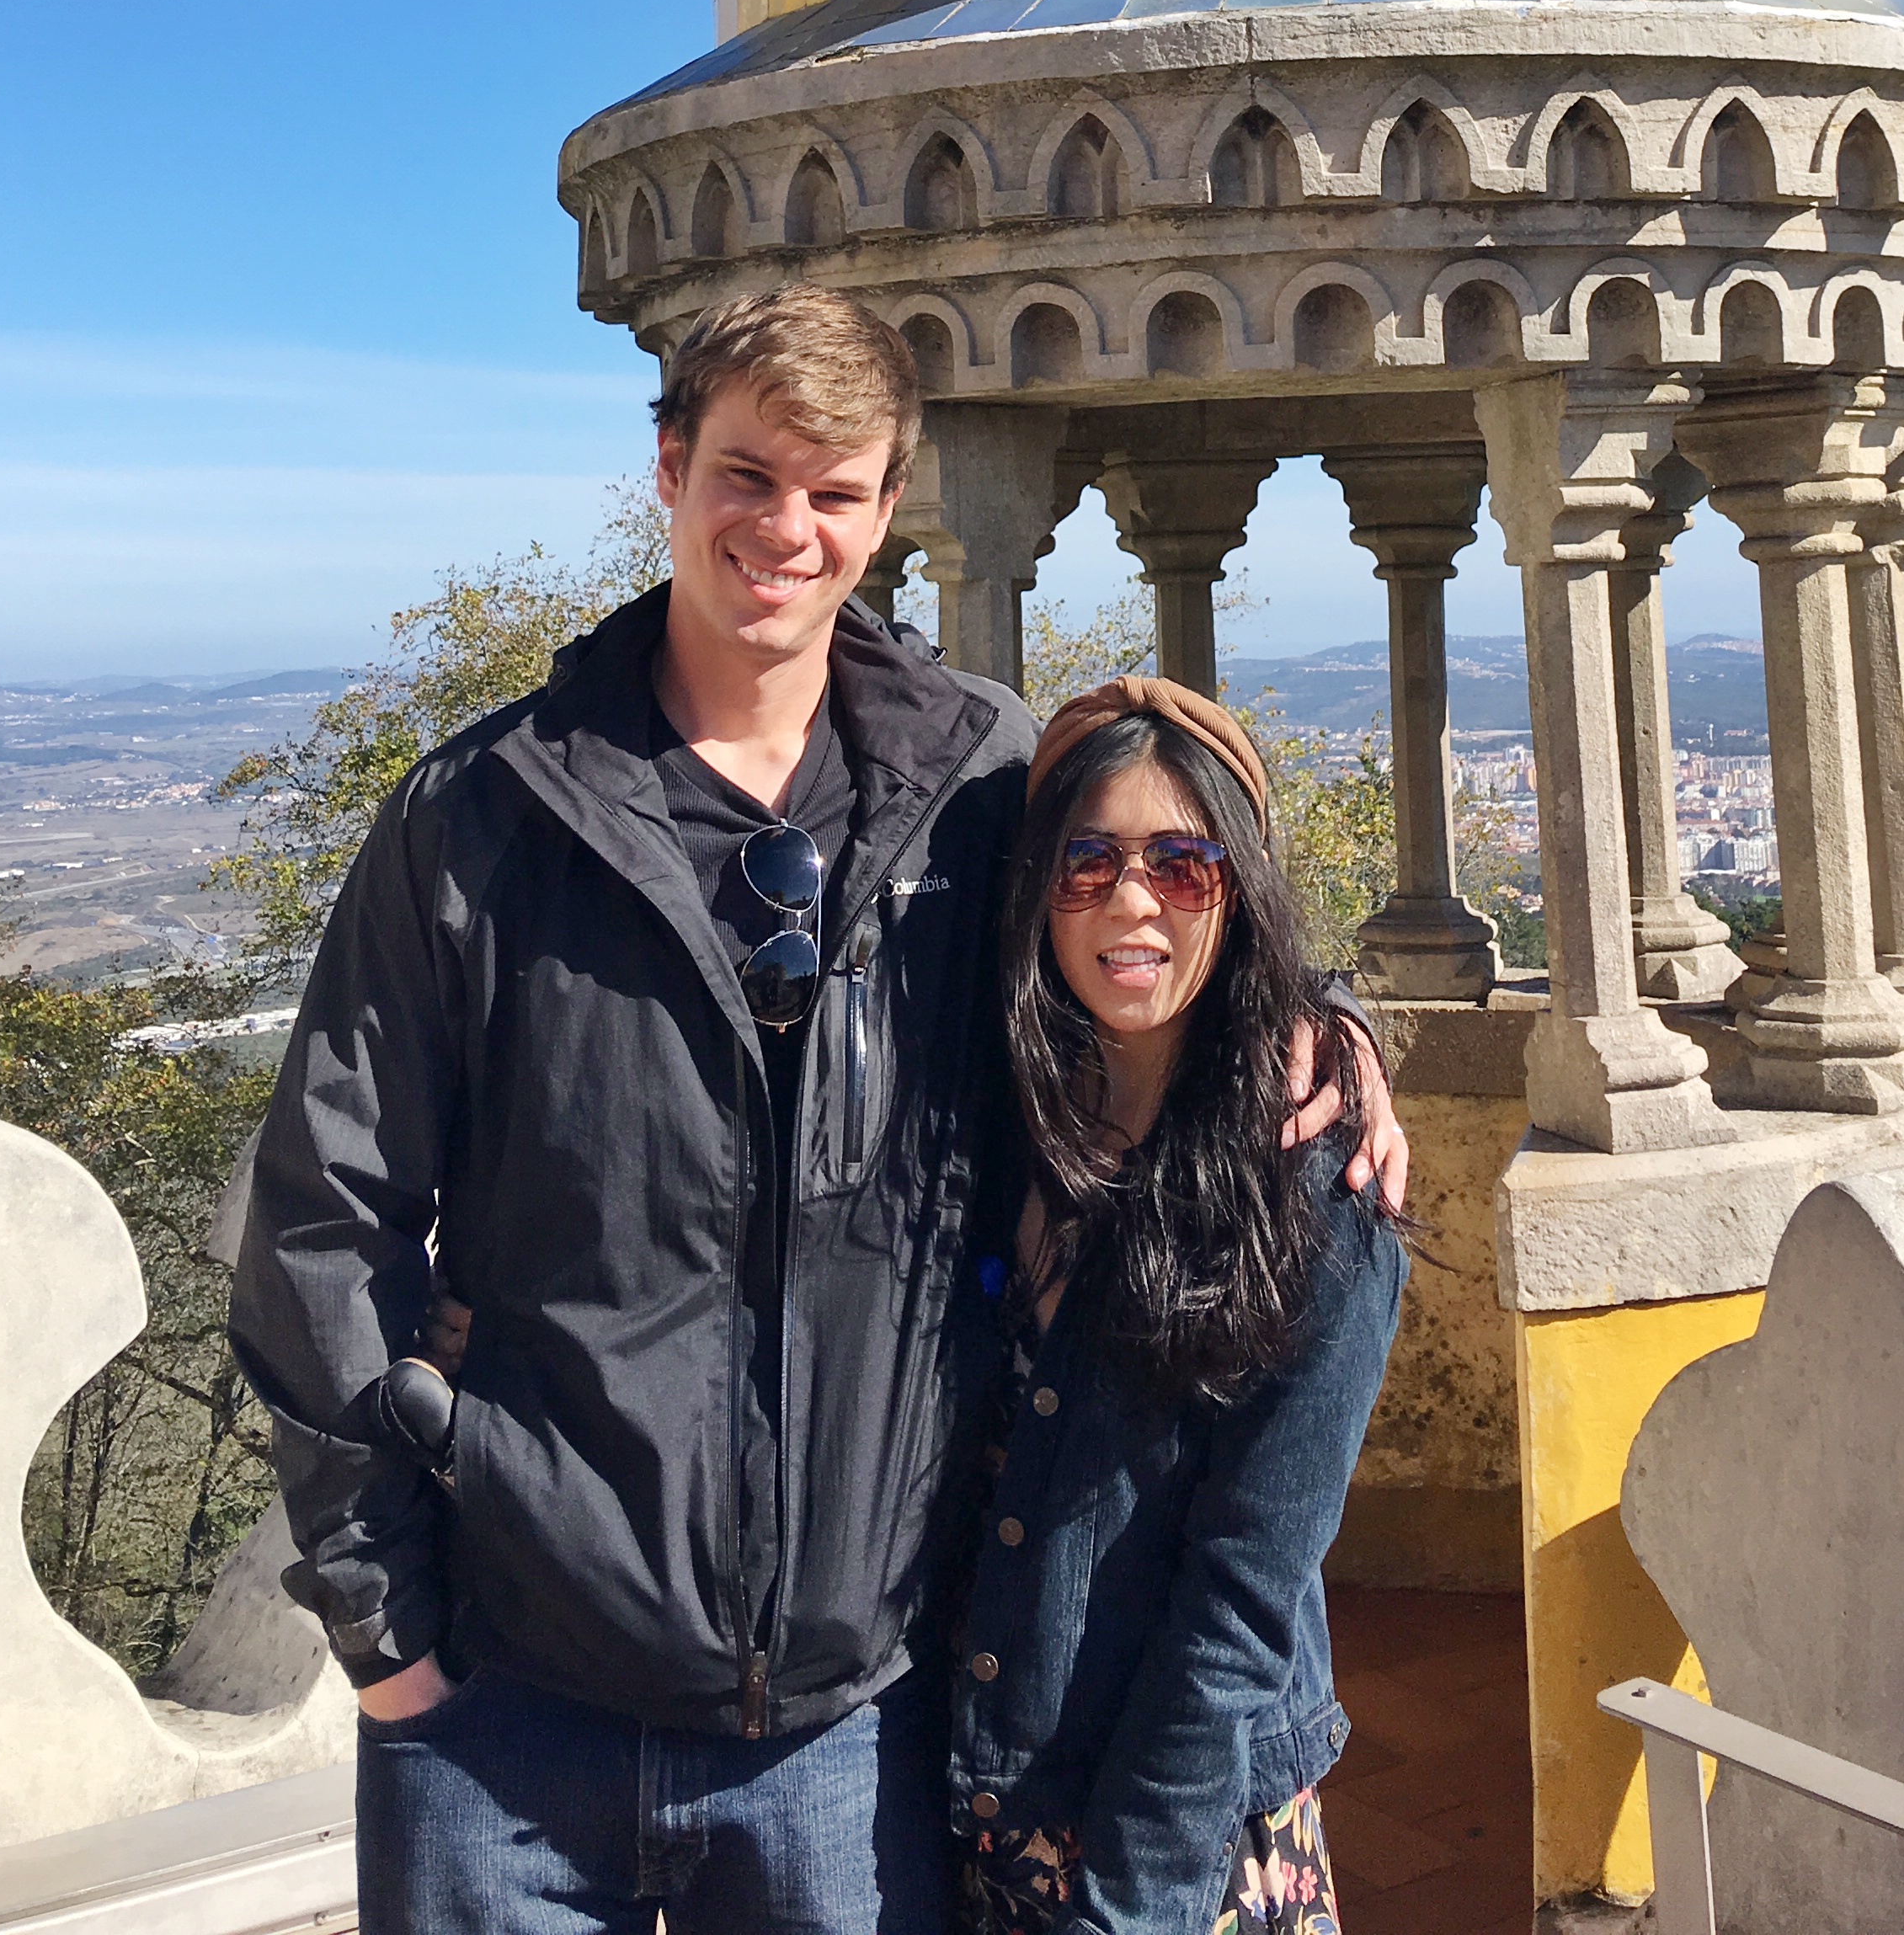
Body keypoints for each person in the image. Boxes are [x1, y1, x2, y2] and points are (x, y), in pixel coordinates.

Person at [229, 286, 1405, 1935]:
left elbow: (1154, 921)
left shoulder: (984, 797)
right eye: (747, 475)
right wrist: (389, 1635)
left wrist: (1314, 1013)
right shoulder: (485, 820)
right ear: (669, 470)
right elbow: (320, 1217)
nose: (786, 529)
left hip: (849, 1734)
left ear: (885, 508)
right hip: (509, 1712)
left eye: (833, 490)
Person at [951, 679, 1407, 1935]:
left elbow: (1244, 1596)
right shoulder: (995, 1136)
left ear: (1240, 887)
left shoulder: (1318, 1191)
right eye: (1085, 862)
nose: (1132, 900)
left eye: (1184, 864)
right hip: (987, 1800)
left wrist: (1131, 1903)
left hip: (1187, 1851)